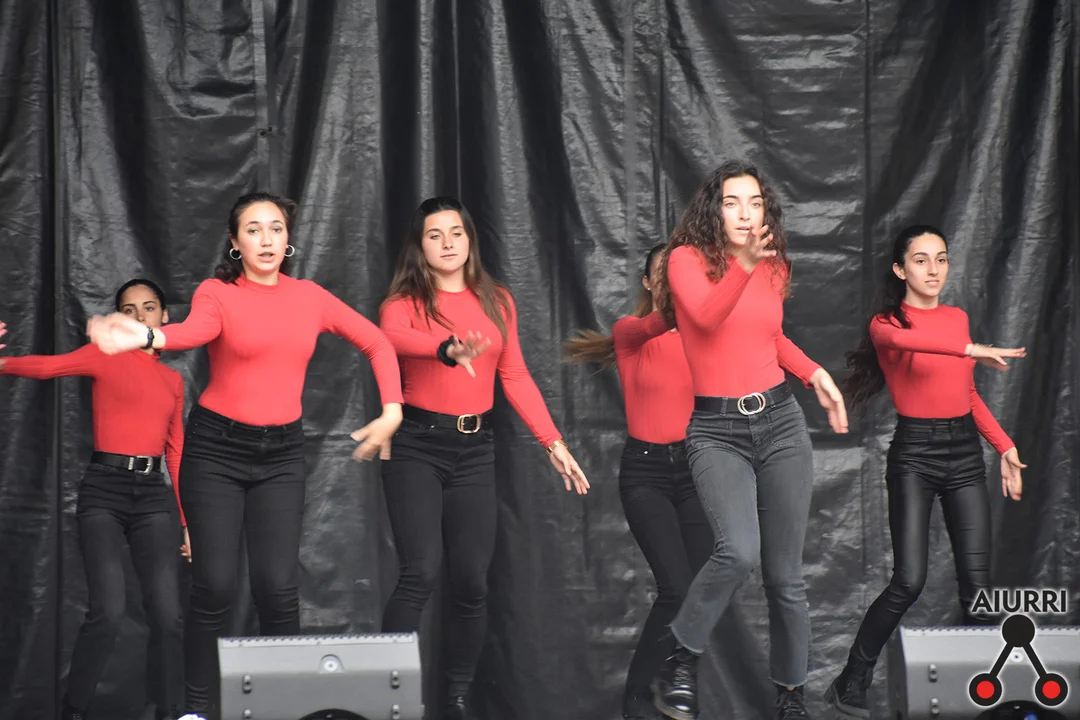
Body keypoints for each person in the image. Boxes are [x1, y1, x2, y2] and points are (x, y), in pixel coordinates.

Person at [84, 192, 405, 720]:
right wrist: (147, 334)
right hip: (217, 451)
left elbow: (378, 343)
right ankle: (196, 709)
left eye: (275, 228)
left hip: (281, 454)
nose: (266, 239)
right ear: (235, 242)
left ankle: (288, 708)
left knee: (278, 589)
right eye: (253, 230)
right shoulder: (218, 293)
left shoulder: (310, 297)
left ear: (288, 238)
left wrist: (392, 410)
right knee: (215, 587)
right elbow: (194, 332)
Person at [648, 160, 850, 720]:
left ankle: (791, 697)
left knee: (786, 577)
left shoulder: (772, 265)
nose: (745, 213)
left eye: (755, 202)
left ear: (766, 210)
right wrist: (742, 265)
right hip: (717, 432)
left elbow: (770, 335)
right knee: (737, 551)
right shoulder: (685, 260)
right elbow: (708, 318)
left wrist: (814, 373)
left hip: (780, 421)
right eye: (732, 202)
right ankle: (680, 656)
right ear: (713, 209)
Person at [377, 196, 589, 720]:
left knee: (472, 579)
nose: (448, 243)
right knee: (420, 572)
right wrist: (446, 350)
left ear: (470, 240)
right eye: (435, 235)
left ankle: (456, 697)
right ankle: (387, 696)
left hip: (474, 451)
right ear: (420, 246)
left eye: (457, 232)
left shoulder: (497, 301)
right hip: (417, 446)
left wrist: (553, 442)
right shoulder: (403, 303)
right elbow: (392, 339)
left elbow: (513, 374)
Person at [824, 225, 1026, 718]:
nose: (933, 269)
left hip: (964, 454)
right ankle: (852, 679)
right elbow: (914, 343)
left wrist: (1004, 446)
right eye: (920, 260)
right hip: (914, 455)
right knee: (908, 580)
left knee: (977, 588)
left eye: (941, 259)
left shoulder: (957, 318)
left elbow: (967, 393)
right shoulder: (885, 324)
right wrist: (970, 349)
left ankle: (987, 696)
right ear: (900, 269)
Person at [1, 279, 189, 720]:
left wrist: (186, 523)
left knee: (168, 615)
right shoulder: (105, 354)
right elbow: (48, 367)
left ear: (164, 317)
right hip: (104, 490)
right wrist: (4, 362)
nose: (140, 315)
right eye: (129, 309)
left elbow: (176, 453)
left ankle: (170, 710)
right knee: (108, 610)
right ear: (119, 319)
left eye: (149, 307)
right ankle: (74, 710)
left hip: (152, 496)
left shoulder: (173, 380)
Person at [564, 244, 712, 720]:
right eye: (664, 275)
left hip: (696, 470)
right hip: (646, 473)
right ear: (648, 283)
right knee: (675, 588)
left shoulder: (704, 338)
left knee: (697, 590)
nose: (673, 282)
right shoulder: (631, 332)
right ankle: (637, 699)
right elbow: (659, 323)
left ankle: (672, 688)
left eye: (682, 274)